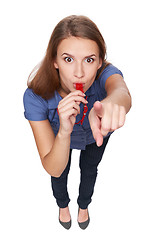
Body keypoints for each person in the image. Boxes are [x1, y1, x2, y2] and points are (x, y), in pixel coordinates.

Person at [23, 15, 131, 230]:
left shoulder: (104, 73)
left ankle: (84, 205)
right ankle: (63, 205)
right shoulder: (34, 96)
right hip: (58, 138)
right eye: (68, 59)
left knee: (90, 168)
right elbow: (52, 168)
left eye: (89, 60)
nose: (79, 73)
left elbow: (120, 89)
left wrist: (112, 103)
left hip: (95, 134)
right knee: (61, 173)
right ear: (54, 60)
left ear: (100, 62)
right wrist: (63, 132)